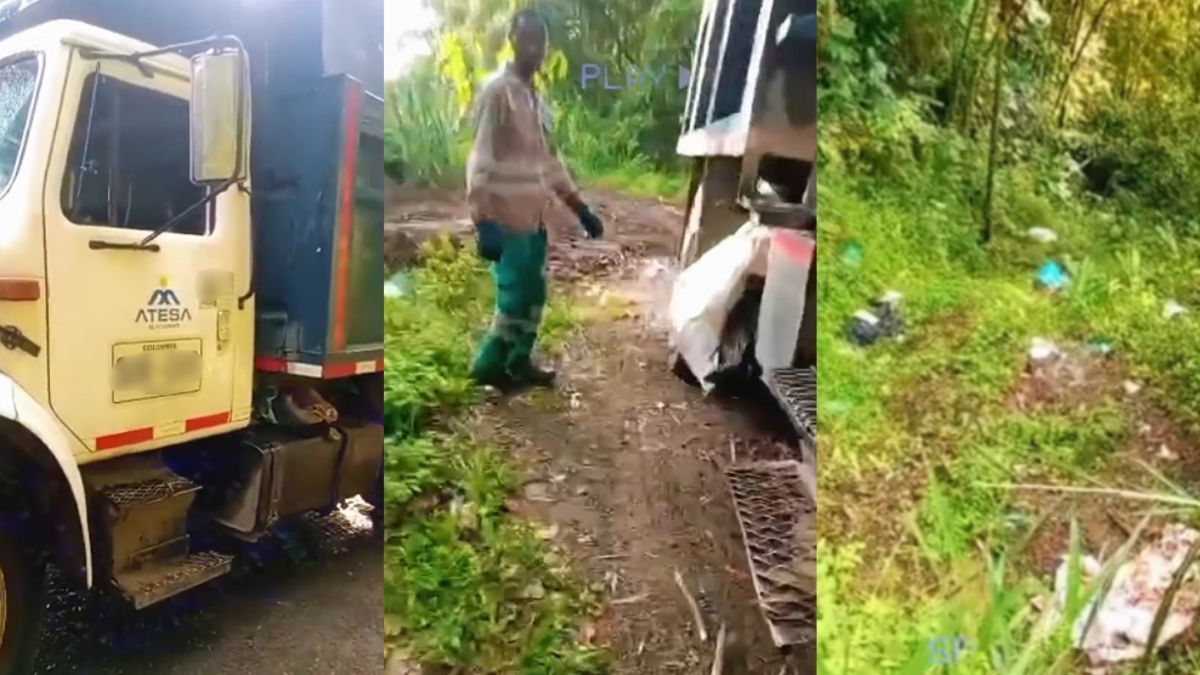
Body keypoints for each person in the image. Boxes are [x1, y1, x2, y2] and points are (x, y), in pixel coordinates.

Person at [466, 7, 603, 390]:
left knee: (533, 296)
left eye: (540, 42)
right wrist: (483, 219)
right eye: (528, 40)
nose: (535, 50)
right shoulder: (498, 93)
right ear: (512, 40)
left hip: (534, 222)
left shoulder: (535, 100)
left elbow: (550, 163)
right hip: (505, 222)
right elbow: (481, 158)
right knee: (512, 300)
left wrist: (580, 208)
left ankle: (518, 362)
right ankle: (488, 369)